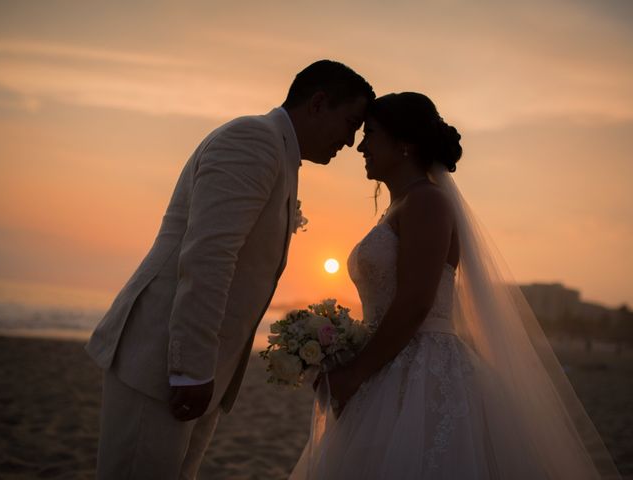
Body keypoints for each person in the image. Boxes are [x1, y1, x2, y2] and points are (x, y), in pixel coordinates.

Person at [291, 92, 621, 479]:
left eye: (371, 134)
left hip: (422, 368)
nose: (360, 146)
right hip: (388, 361)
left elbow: (416, 302)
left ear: (404, 144)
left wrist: (354, 372)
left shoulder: (427, 203)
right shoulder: (401, 206)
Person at [85, 60, 374, 479]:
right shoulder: (253, 141)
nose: (350, 142)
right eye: (349, 124)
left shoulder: (280, 154)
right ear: (317, 103)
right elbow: (208, 256)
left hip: (201, 372)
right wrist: (190, 369)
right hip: (163, 361)